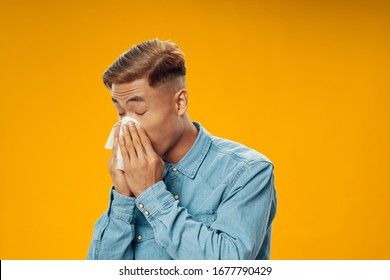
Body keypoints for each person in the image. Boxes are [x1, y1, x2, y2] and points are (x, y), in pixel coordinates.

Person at [87, 38, 277, 260]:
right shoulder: (132, 177)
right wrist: (122, 199)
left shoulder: (249, 172)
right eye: (121, 113)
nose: (126, 127)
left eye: (139, 112)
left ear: (179, 103)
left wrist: (151, 194)